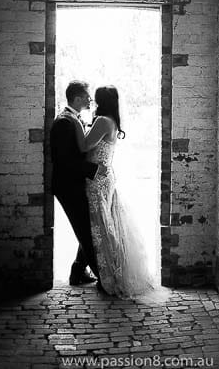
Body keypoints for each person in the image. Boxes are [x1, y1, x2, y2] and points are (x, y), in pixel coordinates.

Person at [76, 85, 154, 298]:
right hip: (105, 176)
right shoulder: (111, 120)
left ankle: (108, 273)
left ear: (101, 101)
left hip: (96, 180)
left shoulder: (102, 121)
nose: (93, 101)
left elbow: (84, 147)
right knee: (100, 223)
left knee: (97, 225)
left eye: (96, 99)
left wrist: (77, 123)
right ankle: (81, 267)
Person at [49, 80, 103, 286]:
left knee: (87, 226)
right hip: (67, 186)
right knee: (86, 231)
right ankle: (103, 276)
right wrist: (94, 170)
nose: (90, 100)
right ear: (78, 98)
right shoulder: (64, 121)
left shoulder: (73, 118)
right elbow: (64, 160)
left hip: (75, 183)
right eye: (87, 96)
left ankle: (77, 272)